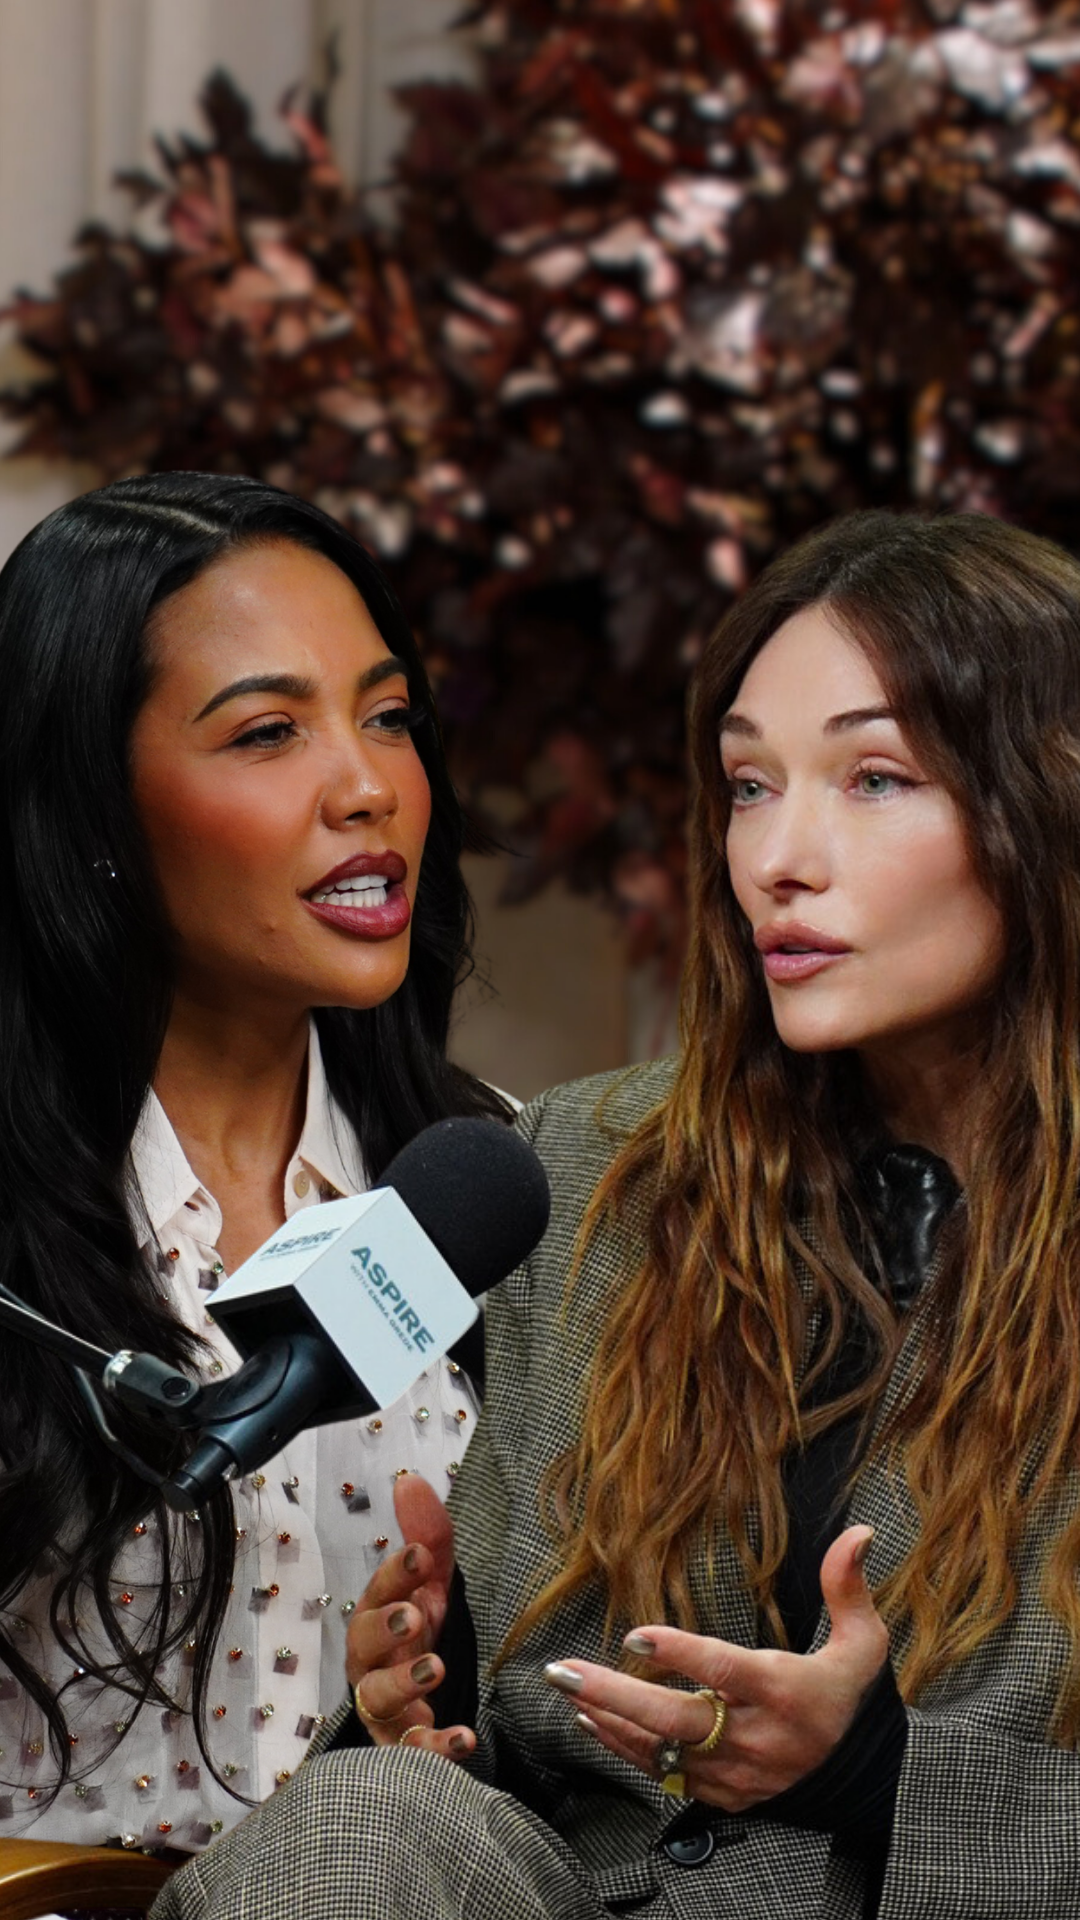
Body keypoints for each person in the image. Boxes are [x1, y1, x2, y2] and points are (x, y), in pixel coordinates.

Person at [153, 507, 1080, 1920]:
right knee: (365, 1816)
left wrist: (876, 1772)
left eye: (876, 779)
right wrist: (428, 1702)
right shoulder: (591, 1165)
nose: (779, 856)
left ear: (1046, 801)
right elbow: (514, 1779)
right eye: (750, 787)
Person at [0, 472, 514, 1862]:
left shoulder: (495, 1187)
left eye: (390, 715)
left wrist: (407, 1721)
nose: (368, 785)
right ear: (89, 809)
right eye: (270, 731)